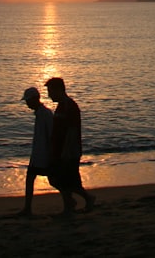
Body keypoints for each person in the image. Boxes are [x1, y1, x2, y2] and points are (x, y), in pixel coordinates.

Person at [44, 77, 95, 214]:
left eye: (50, 91)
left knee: (70, 181)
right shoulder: (61, 106)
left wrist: (66, 151)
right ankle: (70, 203)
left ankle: (85, 199)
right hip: (59, 150)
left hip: (69, 151)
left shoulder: (70, 106)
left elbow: (72, 131)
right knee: (57, 179)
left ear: (58, 90)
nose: (49, 95)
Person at [17, 86, 54, 216]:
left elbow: (51, 136)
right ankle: (27, 208)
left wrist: (51, 155)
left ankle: (78, 197)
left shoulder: (45, 114)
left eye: (28, 101)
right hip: (39, 156)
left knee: (56, 181)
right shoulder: (40, 113)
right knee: (31, 178)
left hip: (44, 156)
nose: (27, 104)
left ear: (34, 99)